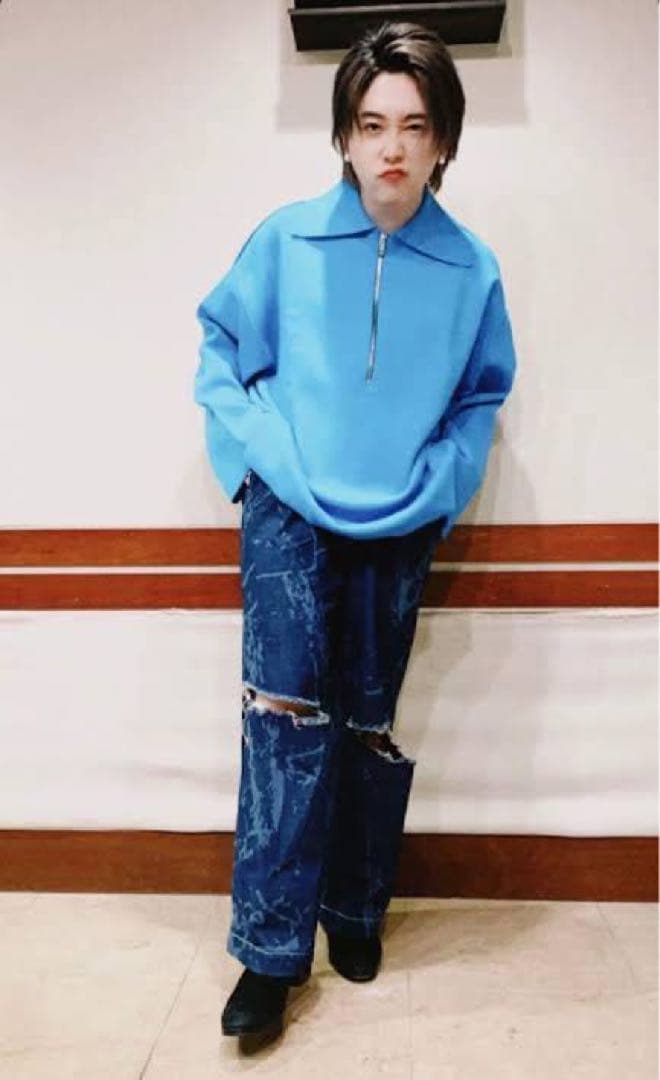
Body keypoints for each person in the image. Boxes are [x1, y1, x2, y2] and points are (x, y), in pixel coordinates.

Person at [194, 20, 517, 1042]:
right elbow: (220, 352)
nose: (391, 149)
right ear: (343, 135)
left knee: (368, 721)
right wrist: (261, 463)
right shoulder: (286, 240)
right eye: (372, 125)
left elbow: (482, 395)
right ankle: (268, 952)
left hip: (400, 518)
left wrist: (442, 480)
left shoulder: (470, 269)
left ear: (443, 141)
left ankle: (355, 908)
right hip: (290, 515)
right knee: (283, 721)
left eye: (414, 127)